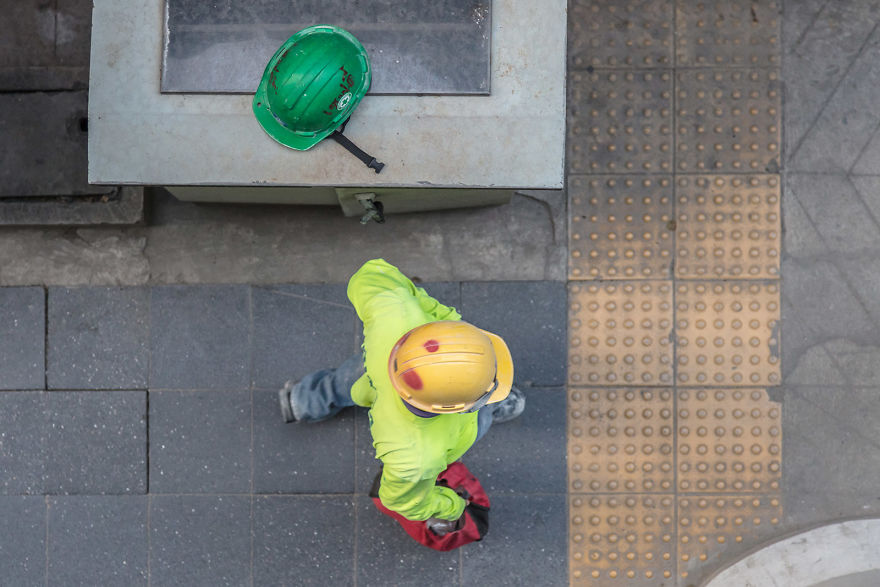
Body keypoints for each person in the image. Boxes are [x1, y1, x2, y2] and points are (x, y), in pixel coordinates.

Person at [278, 258, 525, 535]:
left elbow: (371, 275)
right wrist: (451, 506)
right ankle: (492, 410)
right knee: (480, 420)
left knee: (347, 382)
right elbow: (401, 501)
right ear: (451, 407)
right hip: (439, 425)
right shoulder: (418, 456)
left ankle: (302, 400)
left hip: (378, 365)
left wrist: (436, 322)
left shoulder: (394, 313)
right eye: (486, 392)